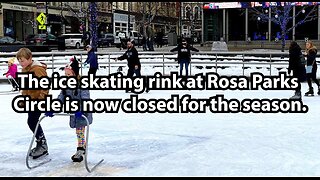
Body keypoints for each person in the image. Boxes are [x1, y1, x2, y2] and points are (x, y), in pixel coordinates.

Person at [45, 58, 93, 162]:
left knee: (80, 132)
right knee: (79, 132)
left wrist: (81, 110)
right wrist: (53, 108)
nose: (67, 78)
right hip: (73, 112)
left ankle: (81, 150)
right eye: (65, 75)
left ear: (75, 74)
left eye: (69, 75)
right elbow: (61, 97)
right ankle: (82, 148)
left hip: (82, 113)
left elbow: (86, 99)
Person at [16, 48, 50, 159]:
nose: (21, 63)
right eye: (19, 61)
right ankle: (41, 142)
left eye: (23, 61)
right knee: (31, 121)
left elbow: (45, 86)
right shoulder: (25, 70)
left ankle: (42, 143)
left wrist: (41, 99)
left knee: (32, 121)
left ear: (30, 59)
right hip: (31, 101)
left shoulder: (37, 69)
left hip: (39, 101)